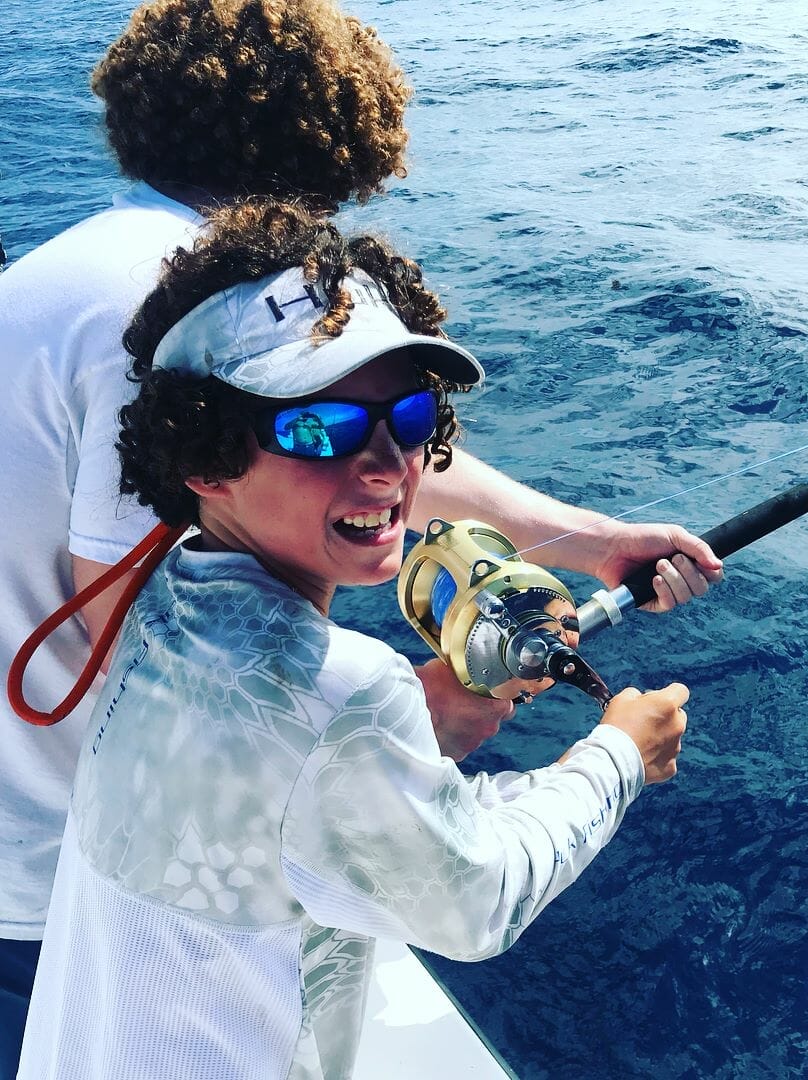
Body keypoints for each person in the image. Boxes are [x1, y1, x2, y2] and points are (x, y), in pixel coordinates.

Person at [0, 1, 720, 1068]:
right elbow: (150, 673)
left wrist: (584, 537)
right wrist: (390, 727)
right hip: (64, 869)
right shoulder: (151, 312)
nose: (388, 462)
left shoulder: (105, 280)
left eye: (418, 419)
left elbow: (332, 436)